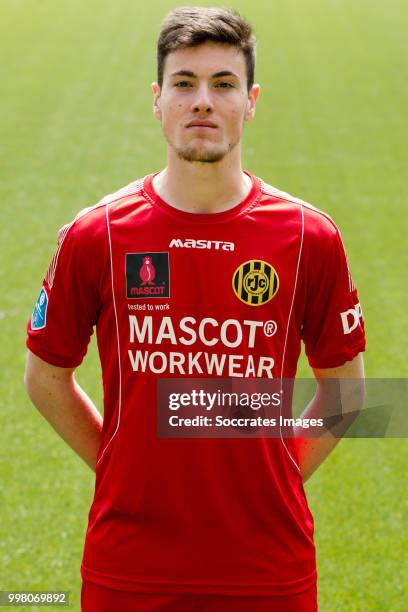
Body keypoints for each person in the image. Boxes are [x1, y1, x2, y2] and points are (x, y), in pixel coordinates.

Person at [24, 7, 366, 612]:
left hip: (268, 566)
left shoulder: (310, 236)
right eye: (184, 83)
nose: (202, 101)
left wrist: (282, 469)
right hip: (130, 564)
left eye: (223, 84)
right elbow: (46, 377)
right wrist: (116, 462)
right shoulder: (96, 234)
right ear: (158, 100)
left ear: (251, 100)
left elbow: (346, 391)